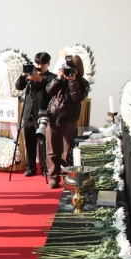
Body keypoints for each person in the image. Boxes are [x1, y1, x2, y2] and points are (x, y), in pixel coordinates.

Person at [46, 55, 89, 188]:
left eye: (73, 69)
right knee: (51, 149)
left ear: (78, 70)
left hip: (69, 119)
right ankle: (53, 177)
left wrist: (72, 81)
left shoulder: (83, 83)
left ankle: (66, 176)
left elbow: (77, 97)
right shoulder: (60, 79)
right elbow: (49, 90)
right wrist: (59, 78)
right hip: (53, 117)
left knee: (67, 150)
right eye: (68, 68)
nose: (69, 71)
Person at [15, 52, 56, 176]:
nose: (39, 66)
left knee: (43, 142)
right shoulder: (29, 75)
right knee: (29, 141)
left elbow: (52, 89)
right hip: (28, 112)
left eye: (42, 64)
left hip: (43, 113)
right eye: (37, 63)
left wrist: (40, 80)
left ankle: (45, 168)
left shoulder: (51, 77)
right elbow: (18, 86)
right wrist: (23, 75)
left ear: (48, 64)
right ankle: (30, 167)